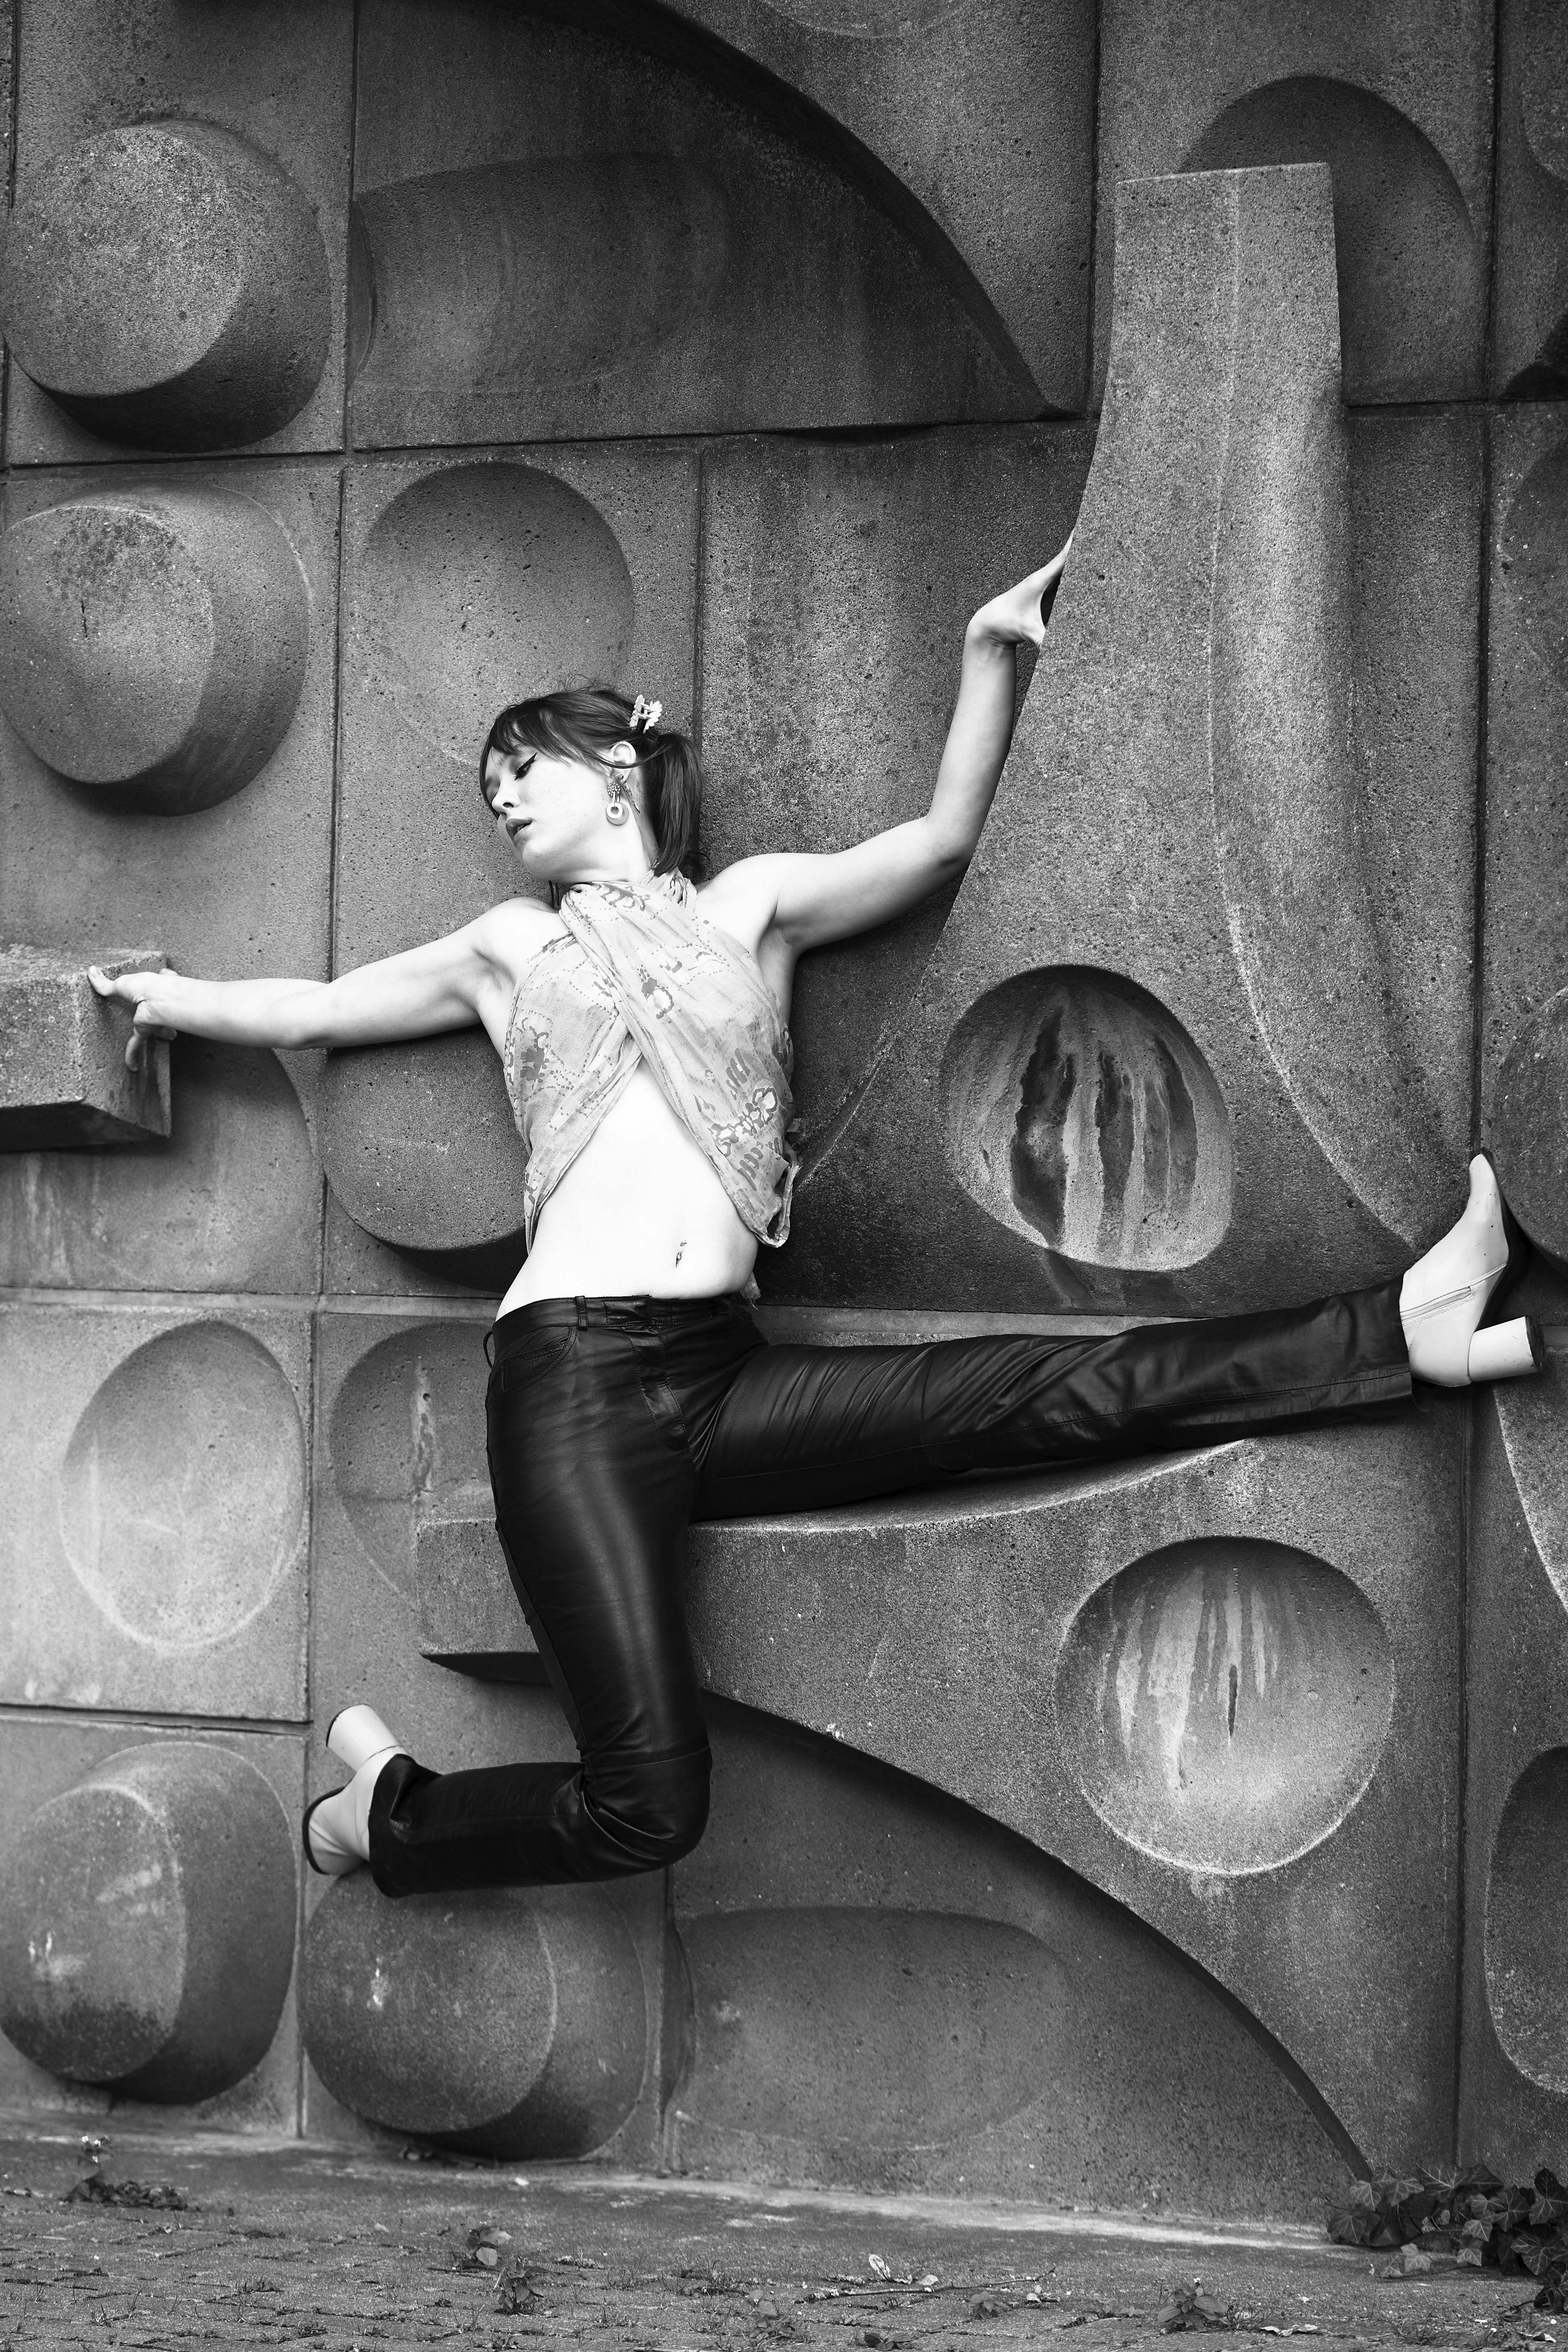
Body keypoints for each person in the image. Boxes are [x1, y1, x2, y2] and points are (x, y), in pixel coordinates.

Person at [90, 539, 1541, 1898]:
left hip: (725, 1374)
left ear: (616, 769)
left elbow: (936, 843)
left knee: (1048, 1390)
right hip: (573, 1394)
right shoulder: (507, 947)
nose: (507, 804)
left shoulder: (752, 908)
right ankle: (383, 1813)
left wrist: (988, 653)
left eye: (522, 770)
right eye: (492, 795)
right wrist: (172, 1000)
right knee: (648, 1805)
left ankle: (1396, 1333)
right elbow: (328, 1007)